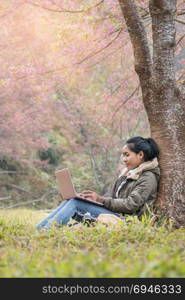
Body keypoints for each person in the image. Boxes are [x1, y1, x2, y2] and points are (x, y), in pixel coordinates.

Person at [36, 136, 160, 230]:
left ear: (140, 155)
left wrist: (101, 200)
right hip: (117, 214)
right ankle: (40, 228)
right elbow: (115, 199)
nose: (124, 159)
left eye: (127, 155)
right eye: (123, 155)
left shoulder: (148, 177)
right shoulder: (128, 174)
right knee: (71, 199)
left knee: (74, 202)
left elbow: (130, 205)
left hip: (128, 220)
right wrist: (94, 200)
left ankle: (47, 230)